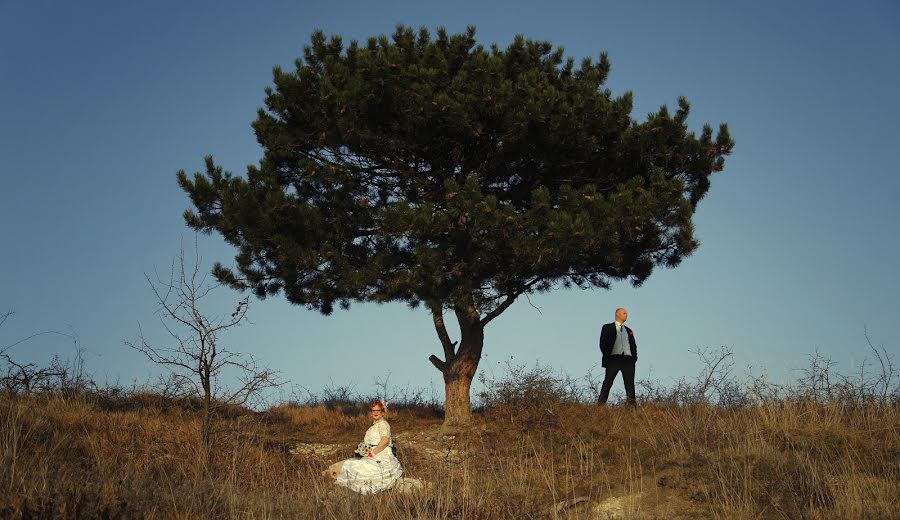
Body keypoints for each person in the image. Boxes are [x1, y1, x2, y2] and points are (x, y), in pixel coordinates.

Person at [328, 399, 403, 494]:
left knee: (353, 466)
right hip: (373, 453)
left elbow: (384, 441)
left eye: (378, 411)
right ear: (371, 412)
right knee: (351, 464)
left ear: (382, 412)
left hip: (381, 454)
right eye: (373, 410)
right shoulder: (374, 426)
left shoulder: (384, 425)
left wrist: (372, 453)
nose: (376, 413)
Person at [597, 307, 638, 405]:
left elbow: (633, 345)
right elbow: (603, 342)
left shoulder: (629, 330)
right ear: (617, 314)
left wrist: (633, 358)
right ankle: (601, 404)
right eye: (624, 313)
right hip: (614, 358)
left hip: (628, 359)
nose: (626, 315)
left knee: (630, 384)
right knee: (608, 381)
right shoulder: (607, 327)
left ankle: (632, 407)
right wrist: (608, 355)